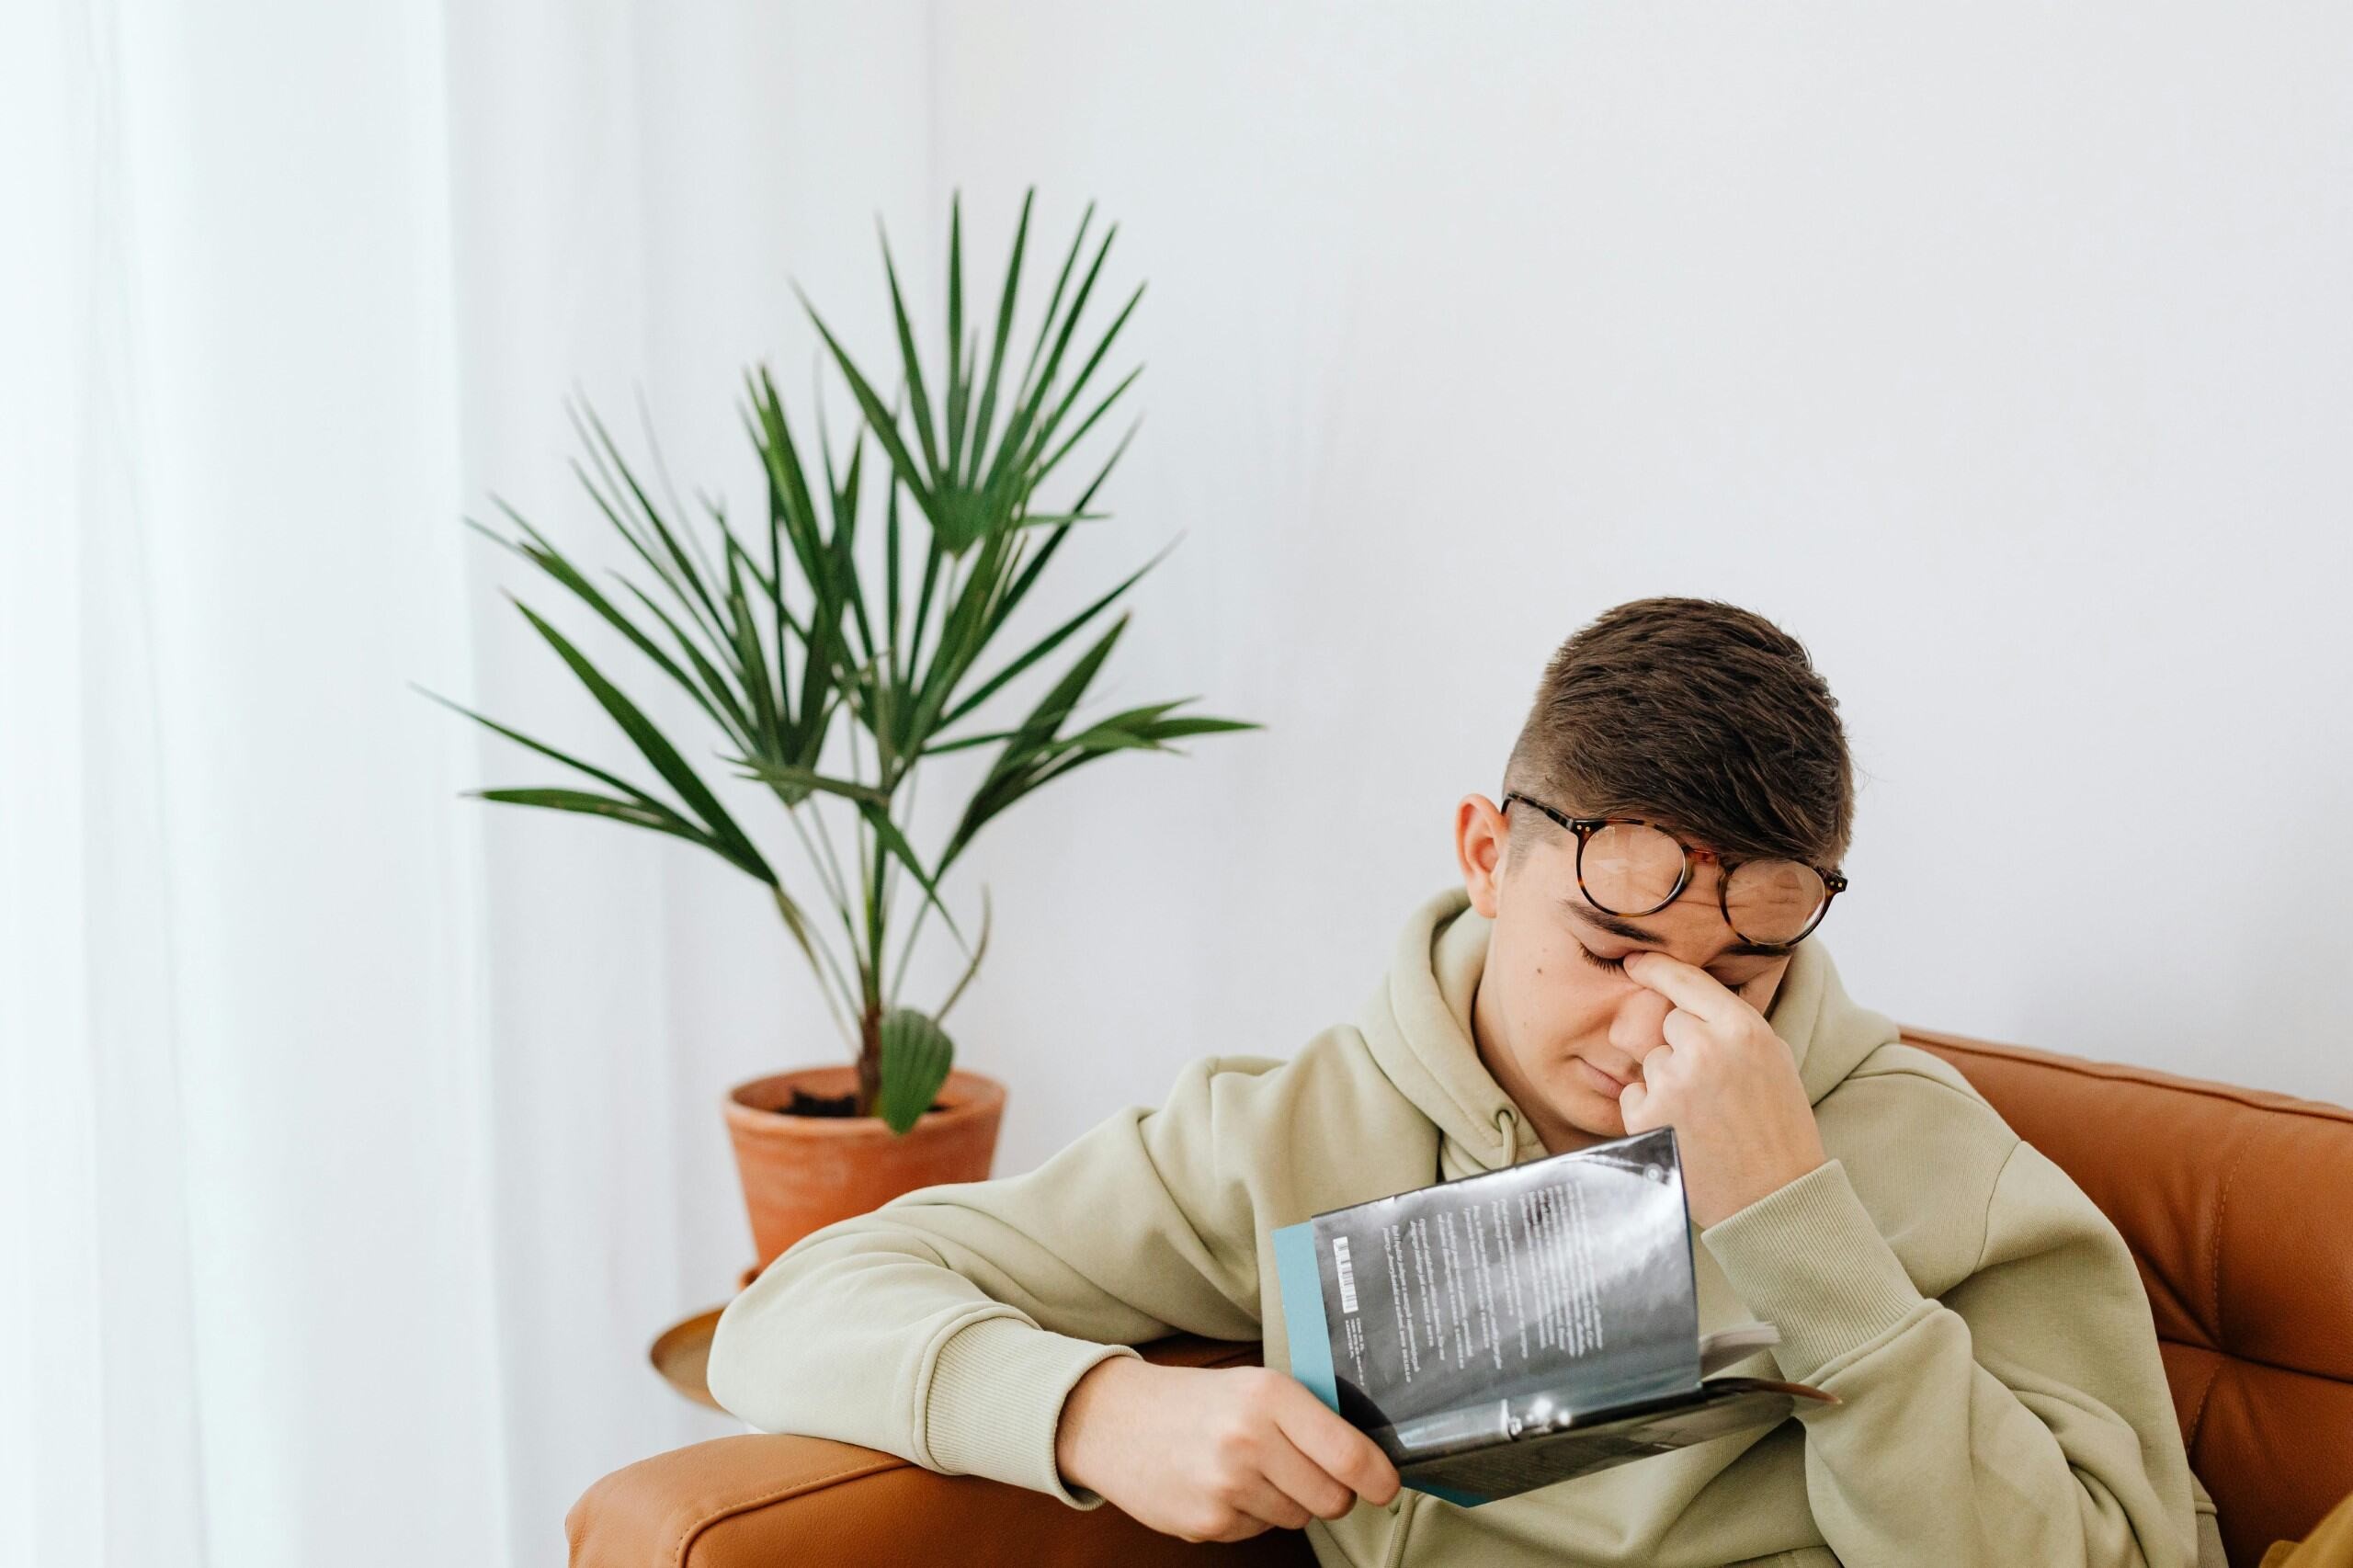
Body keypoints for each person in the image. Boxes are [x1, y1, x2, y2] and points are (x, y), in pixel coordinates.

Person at [706, 597, 2227, 1567]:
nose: (1663, 1020)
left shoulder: (1937, 1162)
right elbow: (797, 1308)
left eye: (1736, 975)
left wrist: (1803, 1229)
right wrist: (1096, 1410)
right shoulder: (1287, 1131)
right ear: (1488, 860)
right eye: (1611, 946)